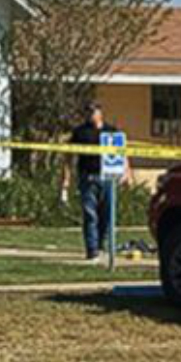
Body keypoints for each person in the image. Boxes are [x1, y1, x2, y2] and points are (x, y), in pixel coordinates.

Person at [63, 102, 121, 261]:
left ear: (100, 113)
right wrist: (67, 178)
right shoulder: (80, 132)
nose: (90, 114)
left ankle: (103, 246)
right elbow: (68, 155)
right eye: (88, 112)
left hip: (108, 178)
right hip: (87, 177)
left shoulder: (110, 131)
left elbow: (121, 153)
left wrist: (126, 173)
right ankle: (92, 250)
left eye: (93, 111)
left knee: (107, 215)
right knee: (90, 215)